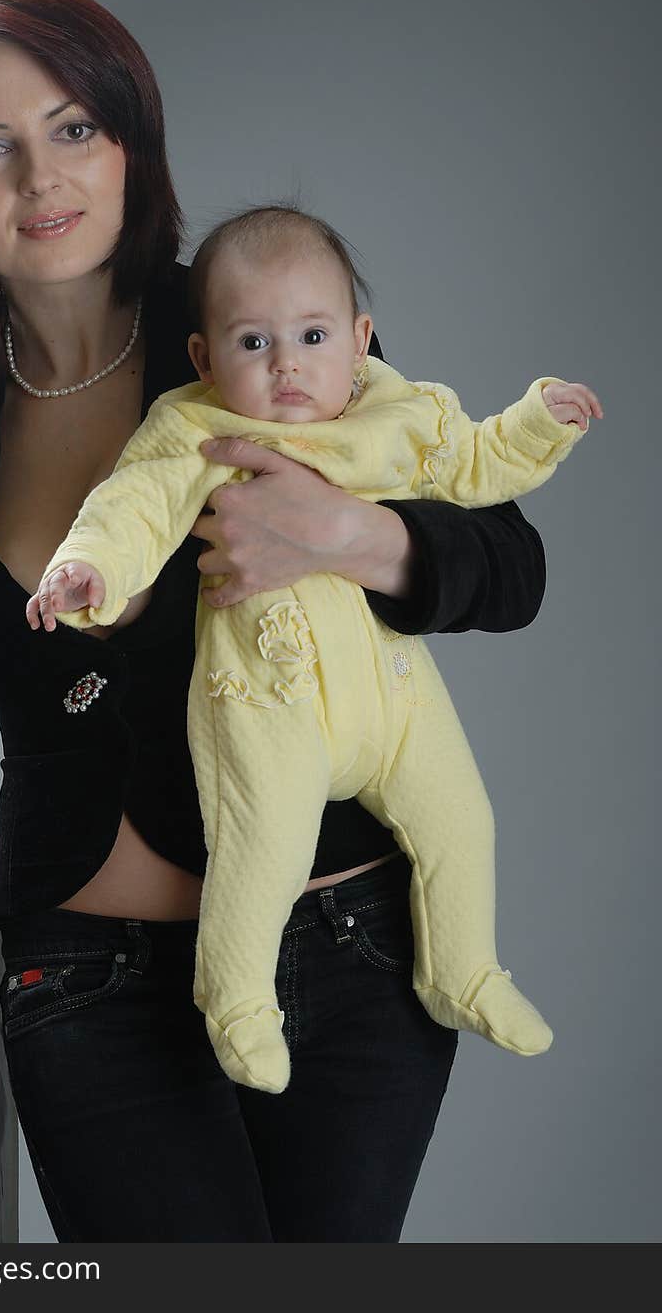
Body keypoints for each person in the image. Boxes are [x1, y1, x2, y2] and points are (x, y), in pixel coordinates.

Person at [0, 0, 551, 1241]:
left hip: (346, 944)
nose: (42, 180)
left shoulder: (244, 324)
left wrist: (350, 535)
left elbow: (508, 557)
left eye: (73, 130)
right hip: (77, 980)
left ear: (126, 138)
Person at [29, 203, 602, 1094]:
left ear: (360, 339)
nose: (288, 363)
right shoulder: (193, 427)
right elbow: (132, 505)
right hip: (266, 700)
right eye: (253, 343)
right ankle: (240, 1005)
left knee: (463, 822)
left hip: (394, 694)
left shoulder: (397, 409)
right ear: (205, 358)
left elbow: (478, 464)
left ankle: (465, 971)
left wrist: (540, 422)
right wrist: (88, 569)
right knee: (264, 852)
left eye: (312, 335)